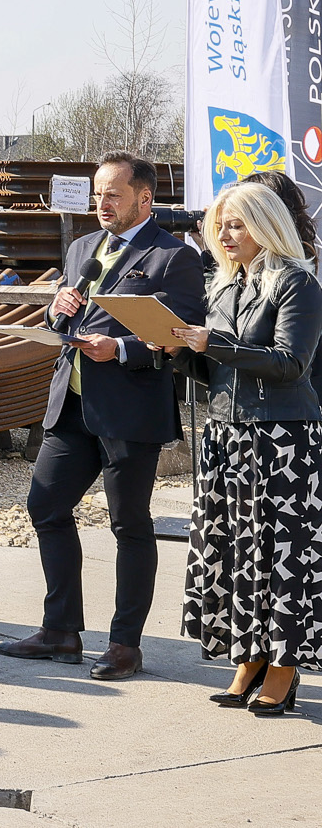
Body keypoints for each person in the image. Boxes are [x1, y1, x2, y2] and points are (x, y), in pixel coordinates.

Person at [0, 150, 207, 681]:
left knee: (128, 524)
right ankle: (60, 630)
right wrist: (55, 312)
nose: (102, 203)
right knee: (45, 506)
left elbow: (181, 337)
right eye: (98, 194)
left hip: (130, 412)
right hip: (71, 404)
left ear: (144, 198)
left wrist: (122, 349)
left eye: (113, 194)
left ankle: (124, 645)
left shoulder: (174, 257)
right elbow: (63, 319)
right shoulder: (81, 248)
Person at [167, 182, 322, 715]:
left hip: (283, 439)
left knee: (282, 558)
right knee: (237, 554)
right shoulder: (223, 285)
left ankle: (284, 666)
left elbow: (290, 364)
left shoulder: (297, 282)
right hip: (226, 436)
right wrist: (178, 350)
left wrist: (214, 343)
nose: (225, 234)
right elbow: (215, 372)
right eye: (220, 225)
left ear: (265, 224)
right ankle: (250, 658)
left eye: (236, 224)